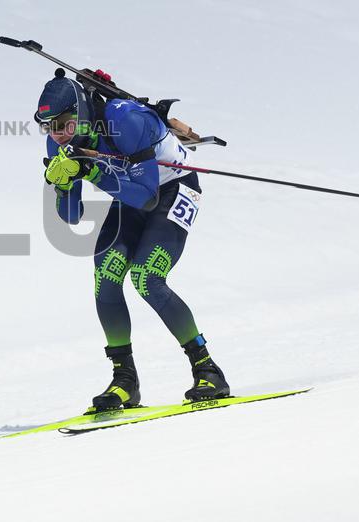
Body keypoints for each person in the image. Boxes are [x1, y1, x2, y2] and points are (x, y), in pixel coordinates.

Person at [35, 72, 230, 412]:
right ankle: (124, 379)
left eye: (64, 124)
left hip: (173, 187)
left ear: (81, 113)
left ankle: (207, 369)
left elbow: (148, 197)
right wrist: (62, 184)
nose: (57, 134)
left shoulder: (125, 120)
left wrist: (91, 173)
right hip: (129, 193)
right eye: (48, 127)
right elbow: (72, 216)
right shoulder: (59, 143)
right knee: (106, 277)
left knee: (146, 277)